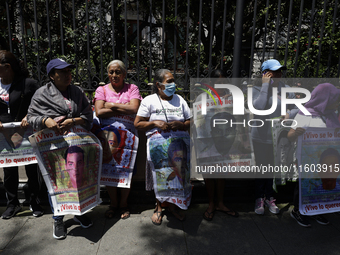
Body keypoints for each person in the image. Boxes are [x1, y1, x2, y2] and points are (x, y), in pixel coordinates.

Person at [27, 58, 93, 239]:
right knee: (58, 183)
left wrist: (73, 120)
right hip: (53, 148)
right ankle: (58, 218)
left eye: (69, 71)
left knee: (77, 179)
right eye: (62, 72)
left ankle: (79, 212)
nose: (67, 75)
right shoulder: (41, 94)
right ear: (51, 76)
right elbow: (31, 116)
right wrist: (45, 120)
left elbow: (89, 115)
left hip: (76, 146)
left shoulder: (77, 92)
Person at [134, 69, 191, 225]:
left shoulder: (180, 100)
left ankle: (173, 207)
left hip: (179, 148)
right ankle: (159, 207)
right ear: (158, 85)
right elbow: (137, 123)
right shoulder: (149, 100)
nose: (173, 84)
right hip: (159, 149)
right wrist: (154, 123)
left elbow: (190, 121)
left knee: (178, 178)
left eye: (173, 81)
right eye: (169, 81)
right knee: (161, 177)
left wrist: (181, 124)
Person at [94, 59, 142, 220]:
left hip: (128, 139)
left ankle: (123, 204)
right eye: (111, 72)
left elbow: (134, 108)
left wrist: (111, 105)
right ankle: (113, 204)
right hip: (108, 139)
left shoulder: (132, 88)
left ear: (124, 74)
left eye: (118, 72)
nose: (114, 75)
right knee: (110, 170)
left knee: (125, 171)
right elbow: (99, 112)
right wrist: (122, 108)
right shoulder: (101, 89)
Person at [288, 83, 340, 227]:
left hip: (325, 160)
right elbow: (290, 135)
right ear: (325, 99)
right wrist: (296, 132)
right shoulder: (305, 114)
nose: (337, 103)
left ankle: (316, 211)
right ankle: (298, 211)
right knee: (304, 185)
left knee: (320, 185)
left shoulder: (331, 116)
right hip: (307, 159)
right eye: (335, 100)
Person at [0, 50, 43, 219]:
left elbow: (39, 104)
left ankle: (34, 202)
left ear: (7, 67)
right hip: (4, 135)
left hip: (25, 133)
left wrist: (28, 116)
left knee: (32, 168)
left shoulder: (28, 84)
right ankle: (12, 204)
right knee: (9, 170)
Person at [252, 59, 297, 215]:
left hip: (278, 137)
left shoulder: (286, 89)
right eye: (274, 72)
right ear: (265, 74)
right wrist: (265, 85)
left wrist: (289, 114)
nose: (278, 74)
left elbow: (296, 107)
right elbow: (258, 108)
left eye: (279, 71)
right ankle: (259, 197)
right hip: (260, 136)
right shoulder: (256, 89)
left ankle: (270, 197)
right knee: (261, 168)